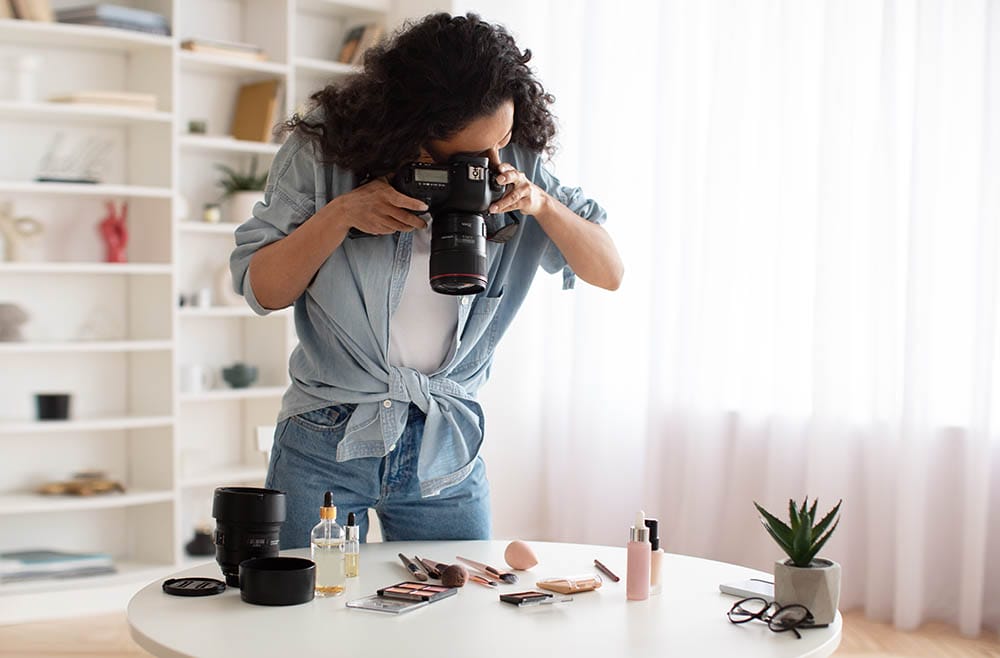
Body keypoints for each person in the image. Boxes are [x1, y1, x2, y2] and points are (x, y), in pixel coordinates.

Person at [230, 12, 623, 548]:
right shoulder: (326, 153)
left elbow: (609, 271)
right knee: (306, 614)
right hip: (328, 431)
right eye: (466, 157)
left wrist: (542, 204)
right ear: (411, 132)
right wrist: (341, 215)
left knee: (454, 619)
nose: (489, 163)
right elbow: (263, 289)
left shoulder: (516, 162)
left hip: (445, 437)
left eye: (501, 140)